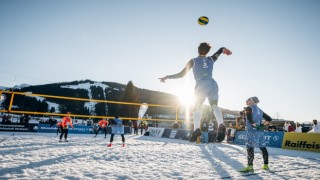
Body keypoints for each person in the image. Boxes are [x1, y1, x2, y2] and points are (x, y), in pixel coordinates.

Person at [159, 42, 232, 142]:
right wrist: (223, 50)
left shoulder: (193, 61)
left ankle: (197, 129)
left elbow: (181, 75)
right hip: (212, 84)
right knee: (214, 105)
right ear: (207, 51)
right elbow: (219, 52)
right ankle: (221, 124)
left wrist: (167, 77)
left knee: (197, 107)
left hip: (201, 84)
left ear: (198, 50)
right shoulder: (210, 59)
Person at [239, 97, 272, 173]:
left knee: (250, 148)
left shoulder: (249, 108)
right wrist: (262, 126)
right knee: (263, 148)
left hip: (252, 131)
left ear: (253, 101)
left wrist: (255, 126)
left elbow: (250, 120)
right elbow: (269, 119)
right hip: (260, 132)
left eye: (249, 99)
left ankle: (250, 167)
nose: (246, 100)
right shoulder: (260, 110)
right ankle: (266, 165)